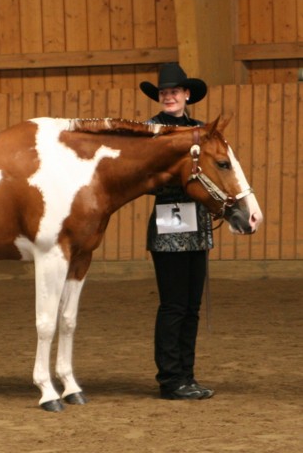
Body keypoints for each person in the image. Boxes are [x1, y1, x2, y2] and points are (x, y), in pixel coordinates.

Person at [139, 63, 214, 400]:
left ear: (186, 94)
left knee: (192, 306)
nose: (168, 95)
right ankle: (170, 379)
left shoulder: (201, 130)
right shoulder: (150, 131)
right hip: (169, 225)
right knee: (173, 305)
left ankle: (187, 374)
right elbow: (144, 180)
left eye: (174, 91)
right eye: (163, 92)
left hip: (197, 225)